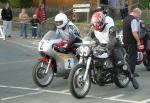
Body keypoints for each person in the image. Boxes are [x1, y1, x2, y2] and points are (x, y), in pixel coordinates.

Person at [123, 8, 142, 77]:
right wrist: (138, 41)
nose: (139, 17)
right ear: (136, 13)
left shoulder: (126, 18)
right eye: (139, 15)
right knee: (132, 58)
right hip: (131, 42)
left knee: (127, 58)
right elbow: (134, 33)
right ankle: (131, 73)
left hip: (125, 41)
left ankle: (126, 71)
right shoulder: (133, 20)